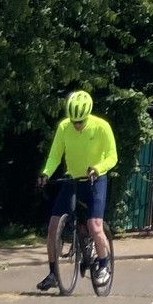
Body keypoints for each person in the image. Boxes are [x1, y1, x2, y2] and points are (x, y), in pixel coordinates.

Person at [36, 89, 117, 292]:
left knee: (94, 225)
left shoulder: (101, 127)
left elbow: (112, 157)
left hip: (94, 180)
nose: (77, 125)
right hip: (72, 180)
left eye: (80, 121)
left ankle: (103, 263)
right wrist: (45, 173)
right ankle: (54, 274)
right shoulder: (64, 127)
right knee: (54, 226)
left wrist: (97, 168)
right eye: (74, 121)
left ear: (87, 116)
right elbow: (55, 156)